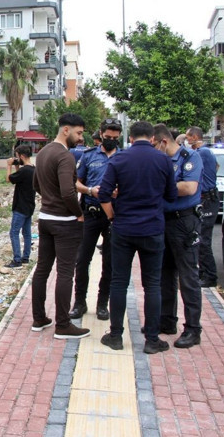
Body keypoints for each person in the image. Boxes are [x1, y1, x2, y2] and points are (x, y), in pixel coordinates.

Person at [98, 121, 177, 354]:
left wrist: (113, 218)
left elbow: (103, 194)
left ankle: (115, 336)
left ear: (130, 138)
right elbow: (171, 196)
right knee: (152, 284)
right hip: (152, 229)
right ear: (153, 138)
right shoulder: (163, 160)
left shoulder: (119, 160)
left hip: (124, 229)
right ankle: (152, 340)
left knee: (119, 282)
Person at [30, 113, 90, 339]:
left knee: (42, 269)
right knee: (65, 272)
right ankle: (63, 325)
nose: (80, 137)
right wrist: (79, 213)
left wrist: (49, 200)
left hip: (45, 218)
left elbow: (37, 184)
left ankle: (39, 318)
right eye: (79, 132)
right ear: (66, 130)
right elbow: (68, 191)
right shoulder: (65, 157)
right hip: (64, 222)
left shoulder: (43, 152)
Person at [153, 124, 204, 349]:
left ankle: (193, 329)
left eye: (155, 145)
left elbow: (189, 187)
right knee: (165, 274)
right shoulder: (162, 161)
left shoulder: (189, 157)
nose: (154, 149)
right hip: (164, 221)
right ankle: (167, 321)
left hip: (185, 222)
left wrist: (161, 186)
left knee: (188, 277)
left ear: (164, 142)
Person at [69, 118, 123, 321]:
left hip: (114, 217)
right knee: (82, 260)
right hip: (90, 213)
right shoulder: (89, 156)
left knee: (110, 262)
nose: (111, 141)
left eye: (115, 138)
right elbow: (76, 183)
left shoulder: (124, 157)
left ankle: (102, 304)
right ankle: (79, 302)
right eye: (107, 137)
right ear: (100, 134)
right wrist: (90, 190)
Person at [185, 126, 218, 288]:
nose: (187, 140)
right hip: (206, 198)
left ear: (195, 136)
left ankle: (210, 276)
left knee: (204, 240)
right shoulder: (206, 152)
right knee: (200, 238)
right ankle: (203, 272)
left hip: (208, 200)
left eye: (188, 137)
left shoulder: (202, 152)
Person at [5, 144, 36, 268]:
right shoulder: (33, 169)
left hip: (20, 207)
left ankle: (17, 260)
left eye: (17, 156)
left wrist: (9, 165)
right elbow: (19, 179)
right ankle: (25, 258)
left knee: (14, 232)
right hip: (29, 206)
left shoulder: (24, 171)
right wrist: (17, 166)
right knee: (27, 234)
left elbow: (9, 179)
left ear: (22, 156)